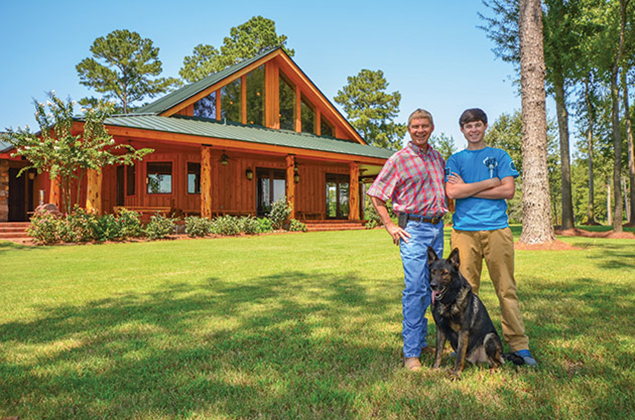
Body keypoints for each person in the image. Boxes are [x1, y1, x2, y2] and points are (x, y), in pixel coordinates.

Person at [445, 108, 537, 366]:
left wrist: (468, 189)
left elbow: (508, 190)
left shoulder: (499, 156)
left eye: (477, 125)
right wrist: (489, 183)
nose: (473, 130)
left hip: (497, 229)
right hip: (464, 232)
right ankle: (464, 346)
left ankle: (519, 345)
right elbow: (452, 192)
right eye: (467, 126)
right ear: (462, 130)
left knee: (506, 288)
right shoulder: (455, 159)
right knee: (464, 291)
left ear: (485, 126)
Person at [367, 108, 448, 372]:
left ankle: (421, 342)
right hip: (414, 230)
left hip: (437, 229)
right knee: (415, 289)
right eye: (415, 126)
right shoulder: (398, 160)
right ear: (408, 129)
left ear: (432, 128)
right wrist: (390, 225)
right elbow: (376, 194)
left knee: (432, 288)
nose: (420, 130)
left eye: (425, 125)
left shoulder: (438, 158)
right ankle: (411, 353)